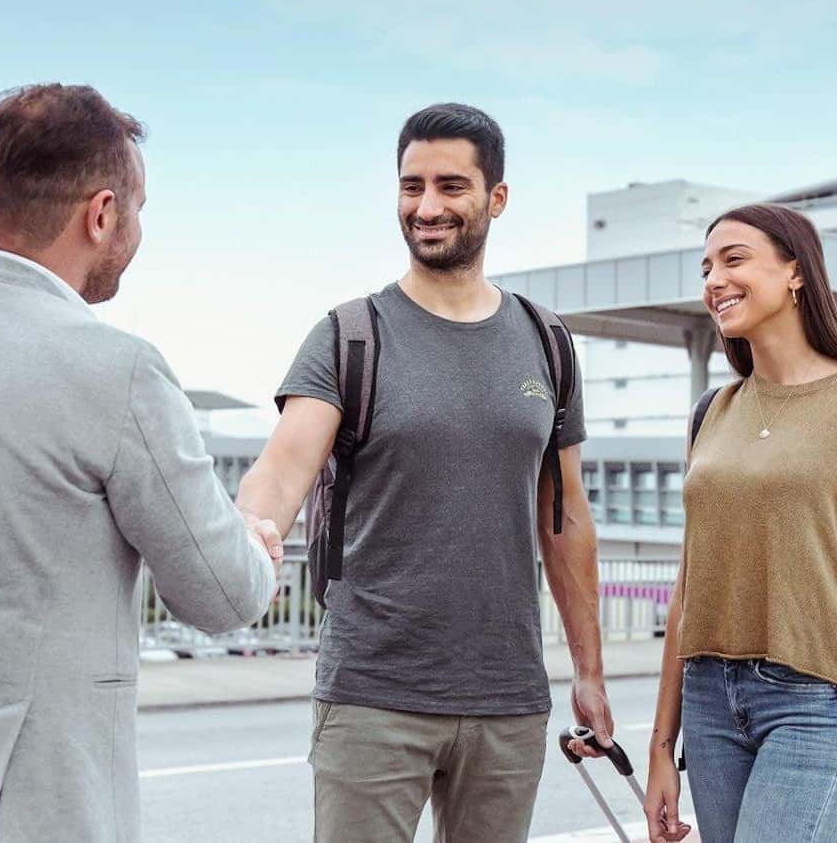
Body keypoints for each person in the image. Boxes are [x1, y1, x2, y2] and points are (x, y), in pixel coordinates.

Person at [237, 102, 613, 842]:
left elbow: (566, 520)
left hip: (508, 697)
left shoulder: (548, 342)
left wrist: (590, 671)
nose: (427, 207)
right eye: (412, 187)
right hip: (374, 693)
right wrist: (252, 533)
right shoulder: (351, 334)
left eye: (450, 186)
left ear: (496, 198)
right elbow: (282, 469)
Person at [0, 84, 284, 843]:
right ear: (102, 213)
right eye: (139, 208)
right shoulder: (111, 369)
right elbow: (220, 592)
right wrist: (254, 540)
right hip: (30, 803)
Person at [644, 203, 837, 843]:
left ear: (795, 272)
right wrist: (660, 747)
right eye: (706, 268)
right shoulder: (712, 411)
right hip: (708, 702)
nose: (714, 281)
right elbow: (687, 585)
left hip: (819, 699)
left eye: (734, 260)